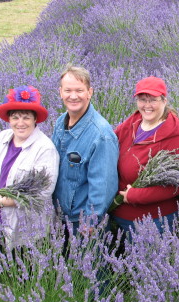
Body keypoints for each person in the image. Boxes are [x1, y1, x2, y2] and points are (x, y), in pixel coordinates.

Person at [0, 85, 59, 247]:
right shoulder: (1, 138)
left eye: (26, 117)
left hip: (27, 233)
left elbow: (43, 191)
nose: (20, 123)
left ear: (35, 119)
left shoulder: (45, 148)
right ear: (9, 119)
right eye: (15, 117)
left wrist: (4, 201)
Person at [111, 76, 179, 234]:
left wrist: (135, 196)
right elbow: (109, 144)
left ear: (164, 101)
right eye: (142, 99)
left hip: (153, 221)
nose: (147, 105)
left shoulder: (174, 135)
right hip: (119, 214)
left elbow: (177, 184)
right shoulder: (132, 122)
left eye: (153, 100)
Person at [52, 65, 119, 234]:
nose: (73, 96)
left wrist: (91, 221)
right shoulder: (61, 123)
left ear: (90, 92)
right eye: (68, 90)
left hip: (81, 223)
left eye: (79, 90)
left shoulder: (101, 134)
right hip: (58, 217)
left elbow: (103, 185)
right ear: (60, 92)